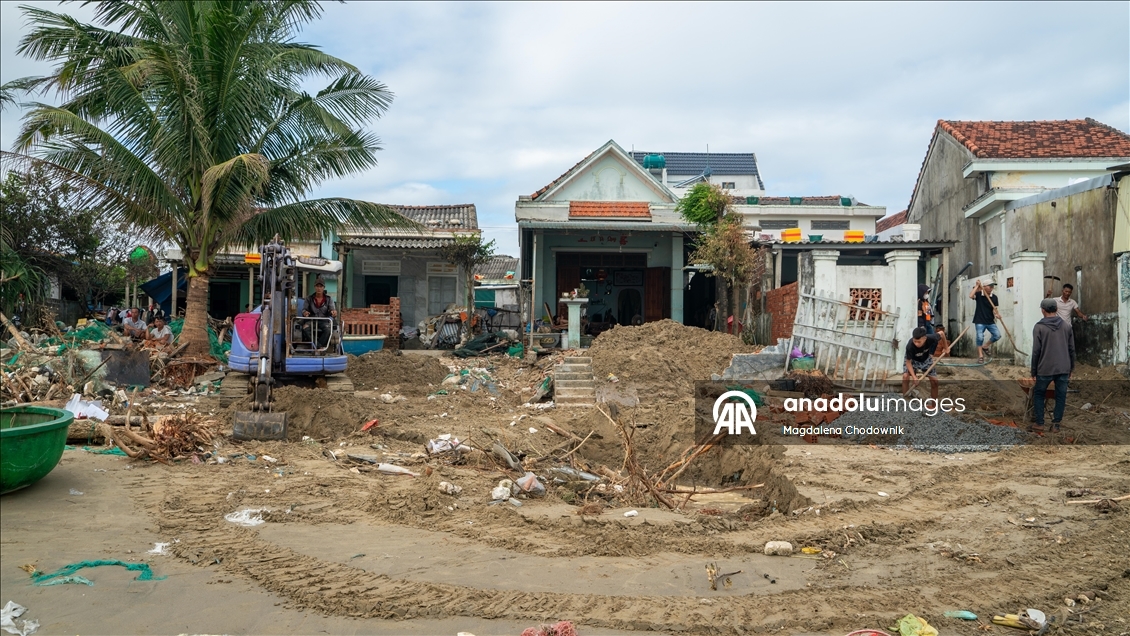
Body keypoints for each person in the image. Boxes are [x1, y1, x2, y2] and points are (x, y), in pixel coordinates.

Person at [1030, 297, 1075, 433]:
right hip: (1063, 367)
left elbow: (1036, 351)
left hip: (1045, 368)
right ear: (1056, 309)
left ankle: (1040, 423)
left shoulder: (1039, 327)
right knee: (1061, 395)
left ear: (1043, 310)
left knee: (1039, 394)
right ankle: (1056, 425)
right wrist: (1071, 368)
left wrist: (1033, 371)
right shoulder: (1066, 326)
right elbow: (1071, 348)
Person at [903, 326, 945, 399]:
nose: (916, 343)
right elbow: (908, 362)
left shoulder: (931, 338)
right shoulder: (910, 346)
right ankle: (904, 401)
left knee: (935, 381)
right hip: (912, 360)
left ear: (924, 339)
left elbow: (941, 333)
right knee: (905, 376)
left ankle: (933, 405)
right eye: (915, 341)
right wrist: (914, 377)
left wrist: (946, 347)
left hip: (926, 359)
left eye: (919, 342)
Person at [969, 280, 1001, 363]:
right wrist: (977, 286)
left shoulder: (994, 297)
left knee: (997, 335)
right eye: (990, 286)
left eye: (992, 286)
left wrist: (997, 314)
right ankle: (980, 355)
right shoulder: (979, 295)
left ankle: (985, 346)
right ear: (985, 286)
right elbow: (970, 295)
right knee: (980, 337)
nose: (991, 288)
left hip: (990, 320)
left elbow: (995, 309)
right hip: (979, 320)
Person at [302, 277, 337, 349]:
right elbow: (304, 309)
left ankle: (317, 346)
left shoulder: (329, 299)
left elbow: (332, 310)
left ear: (323, 287)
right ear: (314, 287)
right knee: (305, 328)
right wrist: (305, 312)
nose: (319, 288)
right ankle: (319, 347)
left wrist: (333, 312)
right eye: (317, 286)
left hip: (323, 320)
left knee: (328, 329)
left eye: (321, 286)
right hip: (311, 320)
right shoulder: (309, 298)